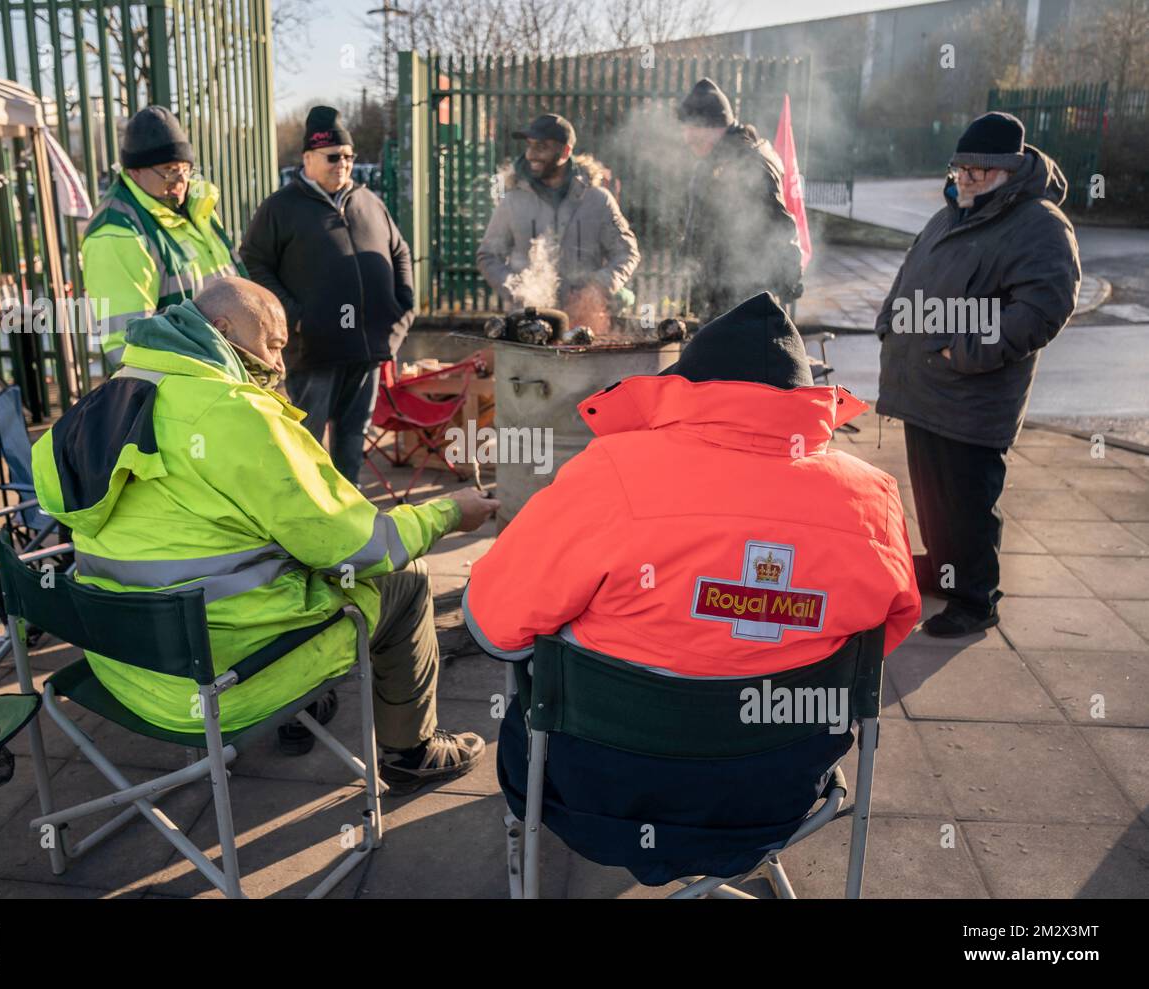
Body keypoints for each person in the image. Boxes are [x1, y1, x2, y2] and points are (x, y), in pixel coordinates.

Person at [462, 293, 920, 885]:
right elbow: (884, 636)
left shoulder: (612, 472)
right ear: (811, 400)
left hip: (594, 793)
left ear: (686, 386)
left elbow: (495, 624)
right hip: (774, 793)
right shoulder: (872, 498)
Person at [30, 277, 500, 793]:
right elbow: (359, 547)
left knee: (261, 552)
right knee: (406, 577)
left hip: (122, 665)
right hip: (221, 678)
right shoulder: (236, 414)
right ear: (225, 329)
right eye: (273, 344)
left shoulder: (110, 398)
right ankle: (414, 751)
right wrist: (450, 512)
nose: (279, 365)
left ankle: (309, 705)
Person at [876, 111, 1081, 637]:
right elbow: (912, 269)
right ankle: (946, 570)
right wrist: (889, 319)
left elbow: (1042, 310)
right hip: (924, 387)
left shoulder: (1039, 223)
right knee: (932, 492)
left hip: (973, 393)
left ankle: (975, 599)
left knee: (967, 500)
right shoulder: (953, 212)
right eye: (961, 168)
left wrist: (964, 353)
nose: (965, 179)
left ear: (1010, 171)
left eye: (979, 171)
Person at [240, 106, 414, 485]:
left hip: (367, 349)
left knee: (353, 444)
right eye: (333, 156)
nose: (343, 164)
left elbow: (400, 252)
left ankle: (348, 517)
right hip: (314, 351)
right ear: (308, 158)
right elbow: (253, 263)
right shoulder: (280, 208)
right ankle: (309, 522)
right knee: (308, 445)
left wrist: (404, 307)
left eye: (349, 156)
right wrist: (294, 316)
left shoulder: (369, 202)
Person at [82, 105, 246, 372]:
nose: (181, 181)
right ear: (135, 171)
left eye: (185, 168)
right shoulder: (116, 234)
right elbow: (130, 343)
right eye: (169, 170)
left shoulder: (196, 205)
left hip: (223, 371)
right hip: (189, 384)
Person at [475, 112, 640, 322]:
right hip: (529, 323)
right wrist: (520, 290)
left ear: (565, 151)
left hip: (586, 322)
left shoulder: (598, 200)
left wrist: (598, 287)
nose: (531, 155)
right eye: (529, 145)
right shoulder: (513, 201)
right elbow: (488, 256)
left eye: (541, 147)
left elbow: (626, 253)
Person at [677, 79, 803, 322]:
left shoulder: (750, 162)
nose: (687, 137)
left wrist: (788, 277)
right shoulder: (712, 163)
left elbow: (780, 226)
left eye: (692, 128)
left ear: (713, 125)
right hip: (719, 300)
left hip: (748, 301)